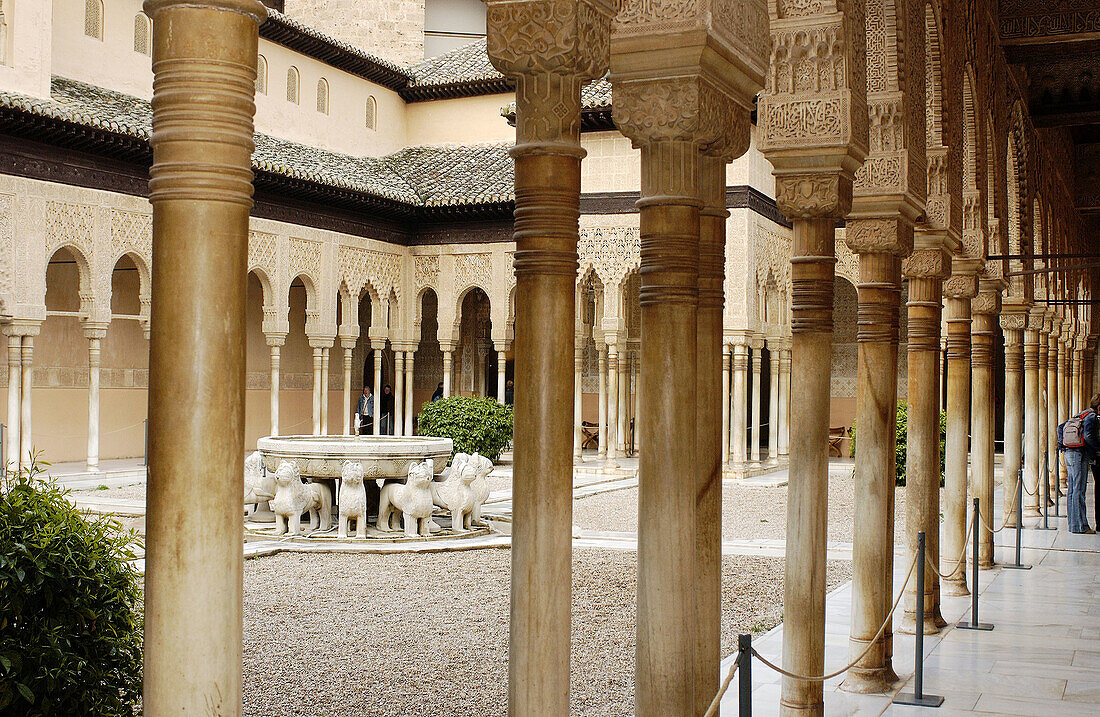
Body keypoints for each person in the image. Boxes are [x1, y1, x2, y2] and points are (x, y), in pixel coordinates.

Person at [1059, 394, 1100, 534]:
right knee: (1078, 490)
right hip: (1078, 454)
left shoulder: (1082, 413)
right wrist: (1098, 448)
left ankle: (1073, 525)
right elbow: (1089, 436)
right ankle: (1082, 526)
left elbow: (1061, 427)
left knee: (1072, 490)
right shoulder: (1092, 417)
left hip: (1069, 453)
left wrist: (1062, 446)